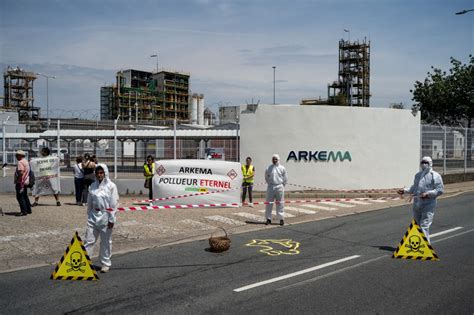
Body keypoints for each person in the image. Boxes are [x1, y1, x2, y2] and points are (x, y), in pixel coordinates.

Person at [397, 156, 444, 243]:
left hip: (428, 204)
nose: (423, 164)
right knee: (417, 226)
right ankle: (419, 247)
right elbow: (414, 188)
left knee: (424, 226)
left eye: (425, 162)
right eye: (422, 162)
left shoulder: (435, 176)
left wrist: (428, 194)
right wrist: (404, 191)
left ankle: (426, 247)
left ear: (430, 163)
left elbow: (440, 190)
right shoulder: (418, 175)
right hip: (417, 204)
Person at [83, 164, 119, 273]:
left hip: (105, 217)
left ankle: (105, 263)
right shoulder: (92, 186)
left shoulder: (111, 186)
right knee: (89, 240)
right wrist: (89, 215)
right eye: (97, 173)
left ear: (105, 173)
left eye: (101, 173)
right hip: (93, 216)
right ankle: (85, 263)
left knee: (105, 242)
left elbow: (114, 204)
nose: (99, 175)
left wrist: (111, 219)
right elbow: (89, 202)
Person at [264, 154, 288, 226]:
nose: (274, 160)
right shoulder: (268, 168)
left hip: (279, 187)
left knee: (280, 203)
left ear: (278, 160)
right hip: (271, 187)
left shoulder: (282, 168)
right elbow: (266, 177)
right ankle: (268, 219)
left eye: (276, 159)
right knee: (268, 203)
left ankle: (281, 219)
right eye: (273, 159)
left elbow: (285, 178)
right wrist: (270, 183)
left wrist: (282, 185)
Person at [14, 150, 32, 216]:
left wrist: (18, 179)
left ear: (20, 155)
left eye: (17, 155)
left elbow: (21, 172)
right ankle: (28, 209)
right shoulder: (26, 161)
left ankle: (23, 211)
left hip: (21, 182)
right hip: (25, 181)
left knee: (20, 197)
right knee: (25, 196)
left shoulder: (20, 162)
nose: (16, 157)